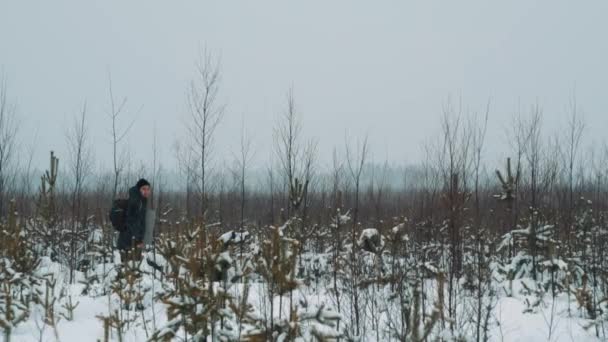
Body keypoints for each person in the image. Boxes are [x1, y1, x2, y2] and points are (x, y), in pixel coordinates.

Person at [117, 178, 151, 262]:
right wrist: (139, 240)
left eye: (148, 189)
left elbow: (141, 222)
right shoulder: (136, 201)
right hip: (129, 242)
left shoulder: (141, 201)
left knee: (132, 269)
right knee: (129, 270)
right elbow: (132, 222)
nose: (146, 191)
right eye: (143, 189)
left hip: (132, 241)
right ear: (138, 189)